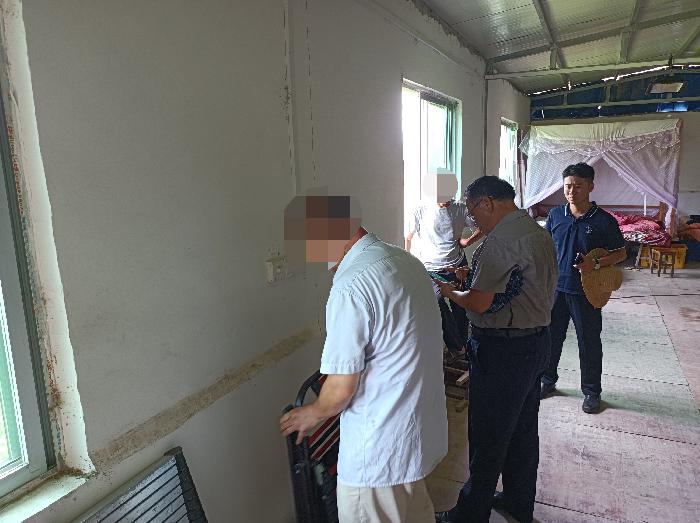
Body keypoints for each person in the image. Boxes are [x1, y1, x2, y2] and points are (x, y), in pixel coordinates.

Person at [280, 194, 448, 523]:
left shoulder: (351, 285)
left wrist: (312, 412)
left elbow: (340, 389)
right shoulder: (404, 261)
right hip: (416, 438)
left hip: (377, 456)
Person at [433, 176, 557, 523]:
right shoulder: (536, 231)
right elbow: (520, 284)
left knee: (488, 434)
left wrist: (449, 291)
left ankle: (470, 514)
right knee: (521, 429)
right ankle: (518, 502)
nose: (474, 223)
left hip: (503, 350)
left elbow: (478, 303)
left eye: (473, 214)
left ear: (487, 203)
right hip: (535, 342)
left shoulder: (499, 241)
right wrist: (470, 277)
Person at [540, 162, 627, 414]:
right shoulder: (556, 216)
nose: (571, 191)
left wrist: (595, 264)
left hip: (587, 292)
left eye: (578, 186)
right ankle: (547, 380)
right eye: (568, 186)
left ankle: (591, 391)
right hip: (556, 290)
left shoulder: (603, 221)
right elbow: (547, 248)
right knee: (551, 338)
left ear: (591, 186)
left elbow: (620, 253)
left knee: (588, 342)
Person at [405, 172, 482, 360]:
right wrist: (409, 262)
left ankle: (462, 347)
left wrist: (467, 242)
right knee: (437, 304)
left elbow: (482, 226)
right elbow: (408, 237)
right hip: (430, 268)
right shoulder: (420, 211)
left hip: (457, 267)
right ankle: (457, 346)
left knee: (460, 306)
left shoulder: (460, 209)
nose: (444, 201)